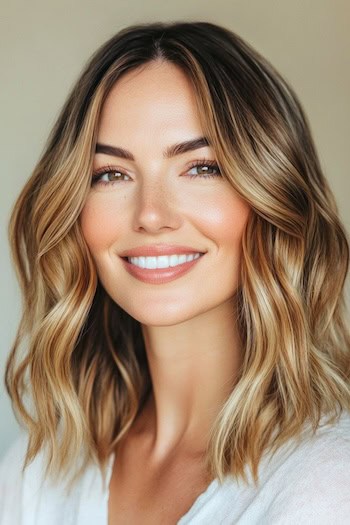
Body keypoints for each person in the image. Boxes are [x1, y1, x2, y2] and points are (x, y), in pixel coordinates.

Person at [1, 20, 349, 525]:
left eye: (201, 167)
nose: (151, 213)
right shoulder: (42, 472)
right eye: (112, 174)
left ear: (271, 195)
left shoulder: (325, 484)